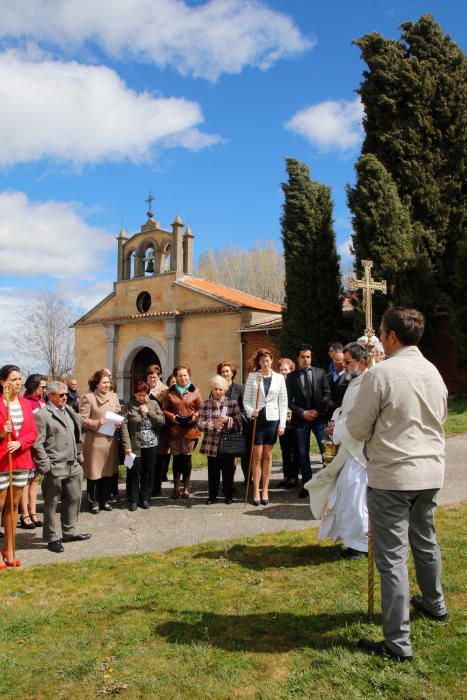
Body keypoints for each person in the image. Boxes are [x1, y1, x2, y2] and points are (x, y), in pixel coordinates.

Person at [347, 308, 448, 662]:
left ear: (390, 337)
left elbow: (358, 428)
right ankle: (435, 603)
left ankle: (398, 642)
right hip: (430, 472)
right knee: (425, 540)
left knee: (391, 559)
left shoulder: (382, 374)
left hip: (393, 474)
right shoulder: (434, 371)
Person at [308, 342, 369, 559]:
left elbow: (362, 417)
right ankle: (353, 541)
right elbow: (345, 410)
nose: (343, 366)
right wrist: (335, 421)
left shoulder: (368, 383)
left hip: (360, 451)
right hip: (348, 447)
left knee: (355, 498)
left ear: (361, 362)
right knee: (345, 496)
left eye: (348, 362)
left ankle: (362, 545)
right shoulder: (354, 381)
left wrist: (339, 427)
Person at [32, 381, 91, 553]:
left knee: (74, 498)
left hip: (73, 464)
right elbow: (37, 444)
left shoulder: (70, 411)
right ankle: (51, 537)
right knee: (51, 504)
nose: (65, 397)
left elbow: (79, 432)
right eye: (61, 395)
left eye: (66, 394)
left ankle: (70, 531)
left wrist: (79, 455)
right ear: (50, 396)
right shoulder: (42, 415)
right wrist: (46, 465)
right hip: (55, 466)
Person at [0, 364, 37, 568]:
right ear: (3, 382)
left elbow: (32, 432)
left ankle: (10, 547)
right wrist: (2, 434)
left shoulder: (24, 404)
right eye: (14, 379)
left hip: (21, 460)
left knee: (13, 507)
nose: (18, 382)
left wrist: (20, 442)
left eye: (19, 379)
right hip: (2, 461)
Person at [243, 348, 288, 505]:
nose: (265, 364)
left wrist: (282, 424)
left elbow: (283, 402)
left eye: (267, 361)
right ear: (259, 363)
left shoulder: (279, 378)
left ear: (271, 361)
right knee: (257, 456)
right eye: (262, 361)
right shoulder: (253, 377)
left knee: (268, 456)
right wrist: (251, 411)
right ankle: (255, 490)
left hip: (272, 419)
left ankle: (265, 490)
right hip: (257, 419)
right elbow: (246, 400)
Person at [286, 344, 331, 496]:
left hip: (319, 418)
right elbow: (288, 401)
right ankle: (307, 485)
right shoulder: (292, 377)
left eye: (308, 357)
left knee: (325, 451)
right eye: (303, 357)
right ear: (297, 358)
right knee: (302, 452)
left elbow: (326, 394)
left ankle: (327, 484)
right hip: (301, 419)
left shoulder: (320, 372)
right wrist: (302, 412)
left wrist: (317, 411)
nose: (306, 360)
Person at [79, 369, 122, 514]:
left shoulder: (114, 396)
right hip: (95, 442)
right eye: (104, 382)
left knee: (108, 473)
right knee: (94, 474)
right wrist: (97, 422)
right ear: (96, 384)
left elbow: (118, 413)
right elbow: (82, 419)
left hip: (110, 441)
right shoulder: (88, 397)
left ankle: (105, 499)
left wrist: (118, 423)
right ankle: (93, 501)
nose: (107, 385)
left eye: (108, 382)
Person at [120, 381, 165, 510]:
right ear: (135, 394)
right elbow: (123, 427)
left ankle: (145, 498)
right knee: (133, 472)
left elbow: (162, 421)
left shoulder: (154, 403)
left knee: (148, 471)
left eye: (144, 395)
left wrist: (148, 412)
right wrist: (127, 446)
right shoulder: (129, 406)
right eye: (139, 395)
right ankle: (133, 500)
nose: (142, 397)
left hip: (151, 444)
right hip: (134, 445)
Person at [197, 375, 242, 504]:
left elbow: (239, 424)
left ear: (225, 390)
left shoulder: (232, 403)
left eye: (221, 389)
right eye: (216, 389)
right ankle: (212, 496)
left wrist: (229, 420)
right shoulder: (204, 404)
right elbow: (199, 424)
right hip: (211, 444)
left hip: (227, 443)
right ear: (212, 388)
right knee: (213, 473)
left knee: (228, 472)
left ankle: (228, 496)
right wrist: (212, 425)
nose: (218, 392)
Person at [162, 365, 202, 499]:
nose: (183, 378)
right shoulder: (169, 393)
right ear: (176, 377)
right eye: (180, 376)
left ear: (189, 375)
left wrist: (195, 416)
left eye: (185, 375)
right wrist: (173, 417)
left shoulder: (195, 391)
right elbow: (164, 410)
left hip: (190, 431)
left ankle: (186, 487)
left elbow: (201, 408)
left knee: (187, 459)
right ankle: (176, 487)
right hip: (175, 431)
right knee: (177, 459)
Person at [19, 373, 47, 529]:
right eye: (42, 387)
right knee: (25, 481)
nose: (43, 390)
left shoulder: (42, 401)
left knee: (35, 479)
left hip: (40, 445)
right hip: (28, 446)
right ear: (33, 386)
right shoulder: (26, 402)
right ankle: (24, 514)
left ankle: (33, 511)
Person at [275, 358, 299, 489]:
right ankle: (286, 476)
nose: (283, 372)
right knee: (284, 450)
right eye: (281, 370)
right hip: (282, 422)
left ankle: (294, 477)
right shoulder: (278, 384)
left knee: (295, 450)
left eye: (286, 370)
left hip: (294, 421)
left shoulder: (295, 383)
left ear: (291, 370)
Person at [146, 366, 170, 494]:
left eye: (154, 376)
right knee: (148, 460)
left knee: (159, 459)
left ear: (159, 376)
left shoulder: (165, 390)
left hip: (161, 430)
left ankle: (156, 487)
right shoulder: (144, 390)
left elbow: (166, 410)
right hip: (146, 430)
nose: (152, 379)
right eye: (150, 377)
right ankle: (148, 486)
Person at [326, 351, 349, 415]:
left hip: (340, 413)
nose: (335, 362)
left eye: (338, 360)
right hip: (325, 413)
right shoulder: (327, 376)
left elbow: (348, 396)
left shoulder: (348, 378)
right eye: (334, 359)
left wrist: (334, 404)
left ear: (344, 362)